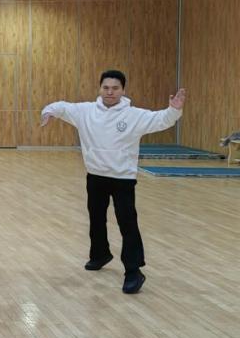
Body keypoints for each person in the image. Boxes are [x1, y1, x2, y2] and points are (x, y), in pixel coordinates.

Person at [41, 70, 186, 294]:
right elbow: (61, 107)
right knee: (96, 219)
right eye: (106, 88)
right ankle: (100, 255)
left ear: (123, 90)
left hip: (123, 179)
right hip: (95, 176)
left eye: (115, 88)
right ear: (100, 89)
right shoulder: (85, 111)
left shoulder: (134, 115)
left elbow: (162, 119)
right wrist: (48, 112)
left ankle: (133, 271)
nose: (110, 92)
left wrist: (174, 109)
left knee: (127, 224)